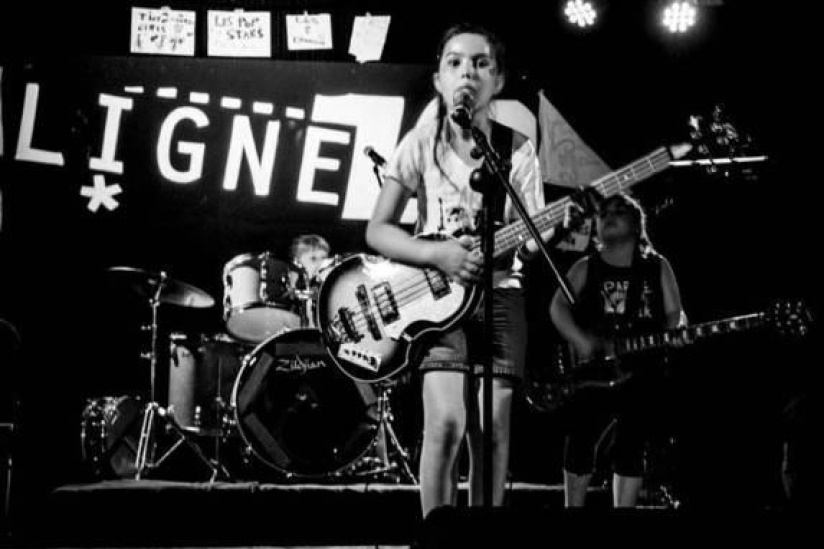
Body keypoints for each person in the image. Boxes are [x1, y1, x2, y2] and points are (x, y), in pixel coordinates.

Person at [365, 22, 546, 518]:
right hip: (435, 298)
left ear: (499, 81)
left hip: (501, 294)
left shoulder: (517, 149)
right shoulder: (419, 143)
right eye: (455, 62)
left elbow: (531, 237)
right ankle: (436, 533)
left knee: (493, 430)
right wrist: (439, 255)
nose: (468, 71)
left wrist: (538, 241)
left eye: (480, 62)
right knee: (446, 422)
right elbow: (378, 231)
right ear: (440, 80)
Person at [549, 192, 687, 508]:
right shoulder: (586, 267)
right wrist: (581, 341)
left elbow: (673, 313)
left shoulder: (657, 266)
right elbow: (557, 306)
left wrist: (678, 328)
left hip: (642, 368)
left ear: (637, 224)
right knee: (581, 439)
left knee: (632, 444)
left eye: (619, 210)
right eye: (604, 212)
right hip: (593, 371)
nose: (609, 215)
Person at [287, 234, 332, 328]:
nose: (320, 264)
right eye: (313, 259)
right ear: (298, 261)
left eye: (323, 258)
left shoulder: (329, 288)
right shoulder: (293, 287)